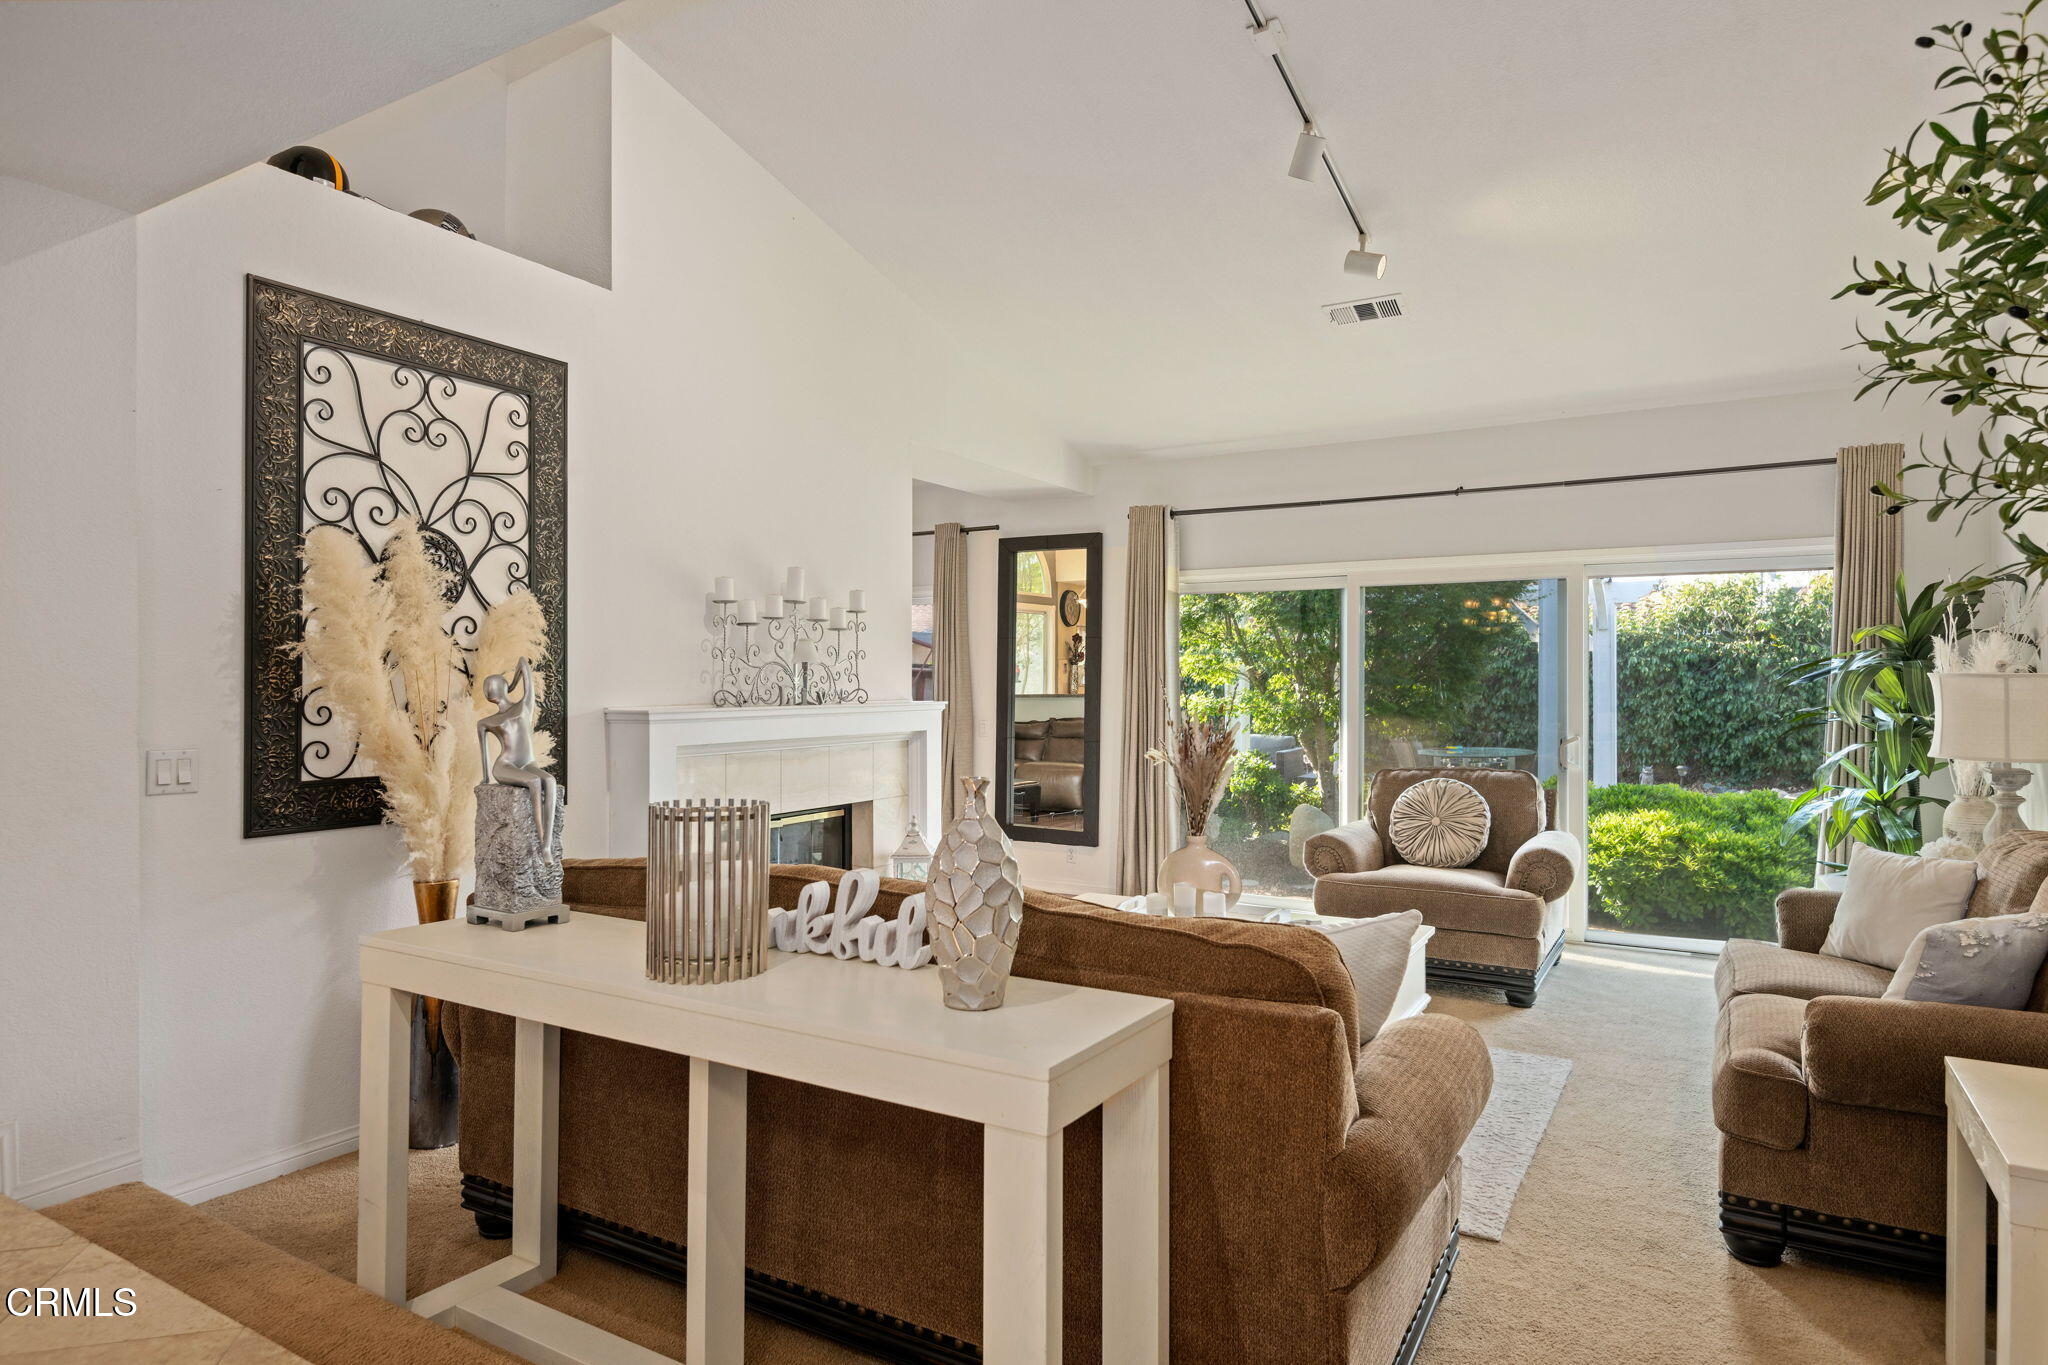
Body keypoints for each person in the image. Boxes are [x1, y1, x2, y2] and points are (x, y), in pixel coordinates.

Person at [477, 657, 557, 864]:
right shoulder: (485, 722)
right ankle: (542, 843)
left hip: (527, 762)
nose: (489, 691)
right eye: (488, 688)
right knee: (533, 782)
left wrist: (511, 684)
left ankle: (547, 844)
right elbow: (483, 752)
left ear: (502, 688)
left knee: (550, 781)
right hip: (505, 765)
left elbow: (523, 664)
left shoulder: (524, 706)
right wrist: (485, 777)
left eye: (492, 686)